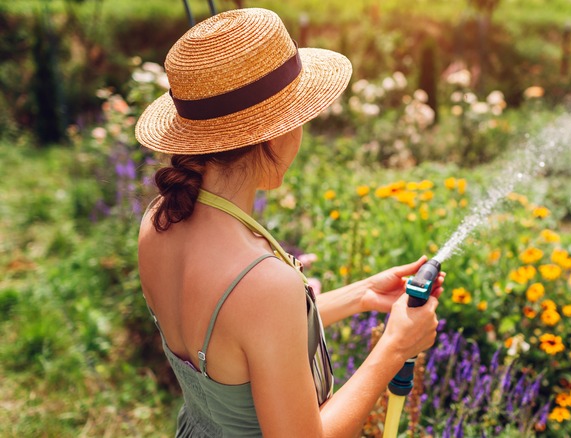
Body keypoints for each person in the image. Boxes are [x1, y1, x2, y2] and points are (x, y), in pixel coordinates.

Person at [134, 8, 444, 438]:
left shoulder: (158, 222)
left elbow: (241, 340)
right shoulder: (261, 282)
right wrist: (395, 347)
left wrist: (362, 295)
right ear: (276, 132)